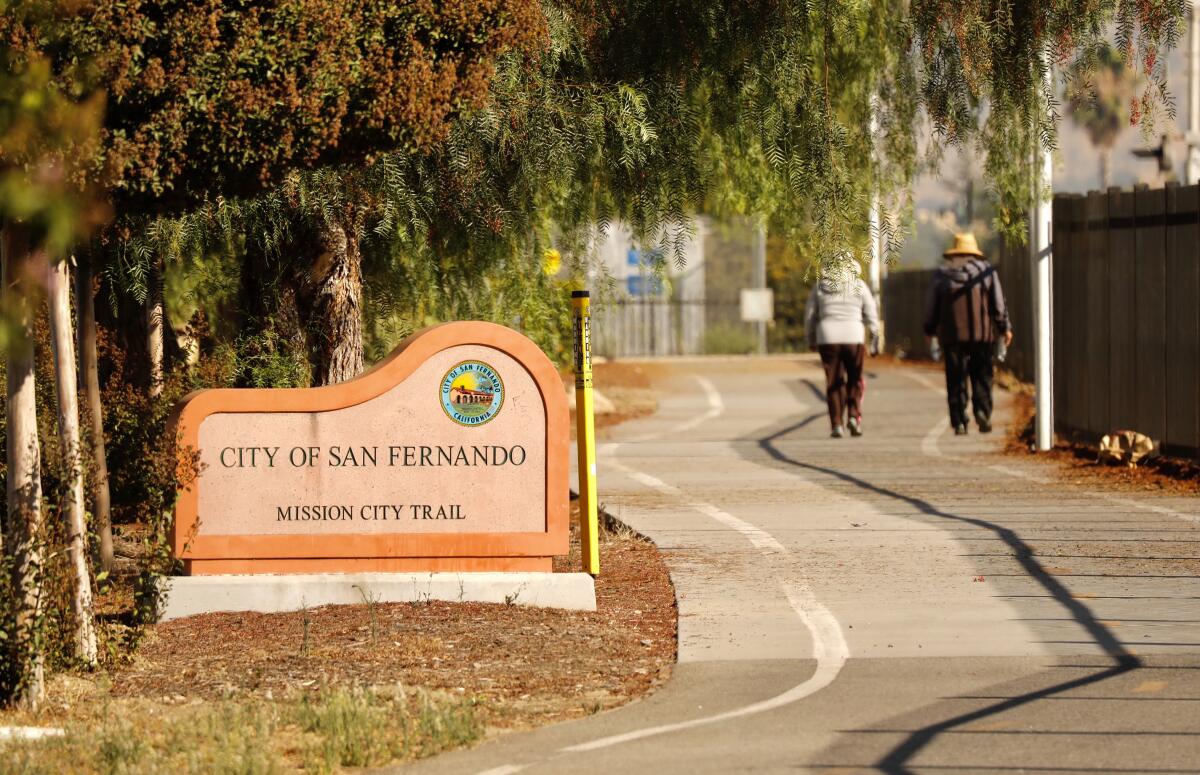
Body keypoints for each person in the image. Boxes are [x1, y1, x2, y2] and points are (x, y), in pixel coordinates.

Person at [923, 233, 1013, 436]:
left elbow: (932, 308)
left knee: (955, 378)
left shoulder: (942, 275)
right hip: (981, 336)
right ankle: (982, 411)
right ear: (974, 253)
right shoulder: (986, 272)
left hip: (951, 336)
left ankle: (959, 420)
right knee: (982, 375)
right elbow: (998, 304)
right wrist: (1004, 327)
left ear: (954, 253)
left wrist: (929, 330)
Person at [805, 259, 880, 438]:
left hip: (827, 337)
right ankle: (854, 416)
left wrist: (810, 337)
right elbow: (871, 313)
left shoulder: (820, 287)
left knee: (833, 382)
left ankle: (836, 424)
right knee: (855, 379)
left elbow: (810, 316)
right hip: (854, 337)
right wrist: (875, 338)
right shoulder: (859, 285)